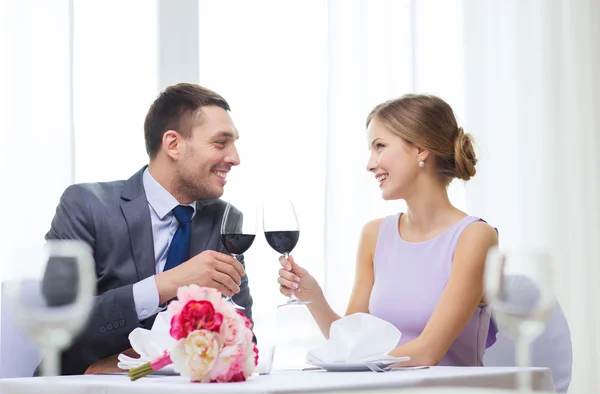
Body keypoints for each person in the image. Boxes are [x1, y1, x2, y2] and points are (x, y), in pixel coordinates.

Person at [45, 83, 253, 375]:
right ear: (173, 145)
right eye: (221, 143)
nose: (235, 158)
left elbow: (242, 337)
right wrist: (165, 284)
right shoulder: (85, 206)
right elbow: (56, 321)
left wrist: (140, 366)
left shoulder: (224, 220)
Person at [277, 94, 498, 367]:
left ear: (421, 149)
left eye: (379, 146)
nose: (370, 164)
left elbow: (429, 351)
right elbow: (351, 341)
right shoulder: (375, 235)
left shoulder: (474, 237)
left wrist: (352, 362)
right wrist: (313, 298)